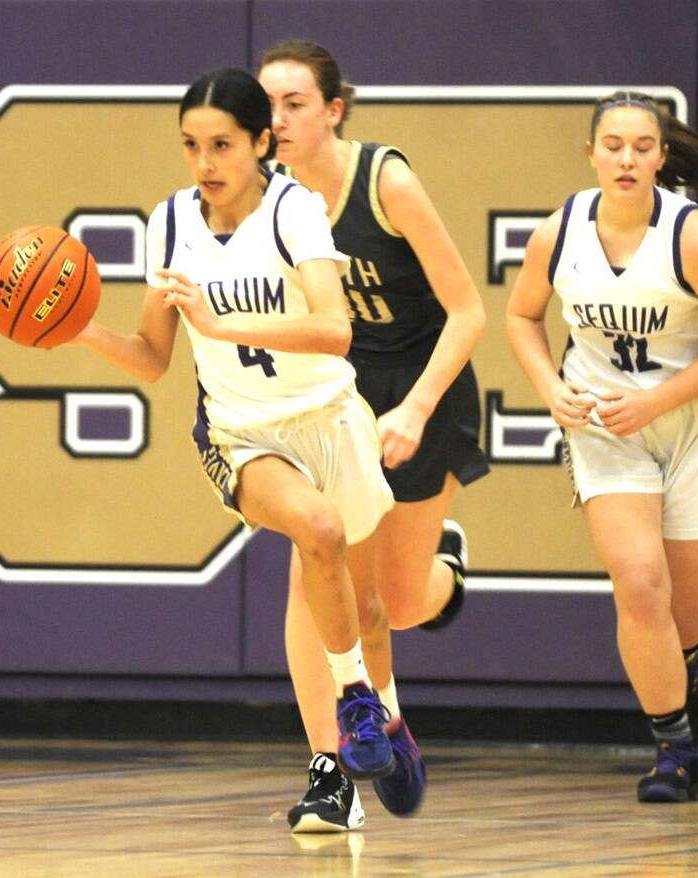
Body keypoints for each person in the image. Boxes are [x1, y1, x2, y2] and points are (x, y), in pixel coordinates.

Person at [71, 67, 399, 786]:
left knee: (370, 607)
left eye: (222, 144)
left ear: (260, 144)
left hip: (331, 416)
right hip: (243, 434)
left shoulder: (296, 210)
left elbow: (335, 328)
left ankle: (389, 716)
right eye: (191, 145)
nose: (205, 162)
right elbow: (154, 357)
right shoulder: (172, 222)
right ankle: (352, 709)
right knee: (317, 530)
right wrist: (77, 329)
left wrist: (221, 322)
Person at [505, 91, 698, 802]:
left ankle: (681, 665)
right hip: (600, 426)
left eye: (641, 146)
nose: (626, 158)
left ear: (661, 155)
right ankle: (674, 751)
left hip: (692, 423)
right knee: (639, 580)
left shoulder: (693, 239)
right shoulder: (559, 234)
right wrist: (549, 387)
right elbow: (523, 315)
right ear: (591, 153)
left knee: (689, 613)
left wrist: (654, 400)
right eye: (612, 145)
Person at [259, 40, 489, 831]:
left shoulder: (384, 180)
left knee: (394, 601)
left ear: (333, 109)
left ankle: (447, 576)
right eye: (268, 106)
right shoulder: (267, 198)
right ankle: (336, 774)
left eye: (294, 103)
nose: (278, 119)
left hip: (423, 389)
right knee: (321, 578)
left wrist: (418, 408)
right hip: (338, 400)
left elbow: (468, 311)